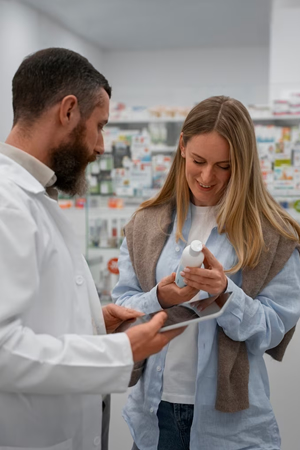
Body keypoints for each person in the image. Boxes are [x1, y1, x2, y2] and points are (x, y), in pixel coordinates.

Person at [0, 47, 184, 450]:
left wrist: (95, 325)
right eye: (99, 126)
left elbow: (28, 314)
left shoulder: (34, 198)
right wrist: (120, 351)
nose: (100, 146)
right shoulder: (7, 204)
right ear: (68, 111)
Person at [112, 95, 300, 450]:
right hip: (155, 417)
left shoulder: (273, 234)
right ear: (182, 146)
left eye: (224, 166)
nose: (207, 176)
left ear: (243, 164)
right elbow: (121, 309)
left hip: (231, 426)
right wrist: (160, 297)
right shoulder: (144, 225)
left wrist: (226, 294)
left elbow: (274, 332)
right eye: (198, 160)